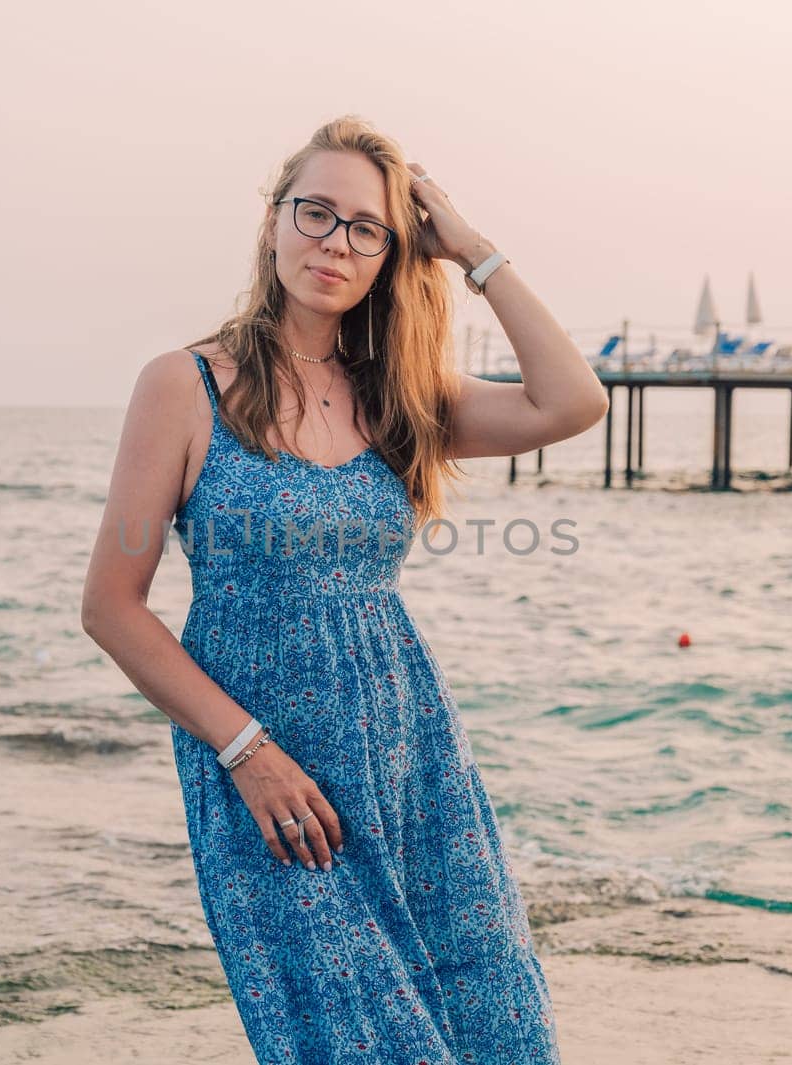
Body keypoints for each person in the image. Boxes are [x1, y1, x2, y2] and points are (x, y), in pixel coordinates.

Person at [81, 115, 607, 1063]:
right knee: (353, 1041)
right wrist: (247, 752)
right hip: (274, 782)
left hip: (416, 758)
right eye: (315, 213)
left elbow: (572, 400)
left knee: (498, 1030)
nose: (335, 242)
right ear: (273, 222)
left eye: (366, 227)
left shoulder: (401, 393)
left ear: (392, 253)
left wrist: (473, 249)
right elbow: (112, 605)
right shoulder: (185, 385)